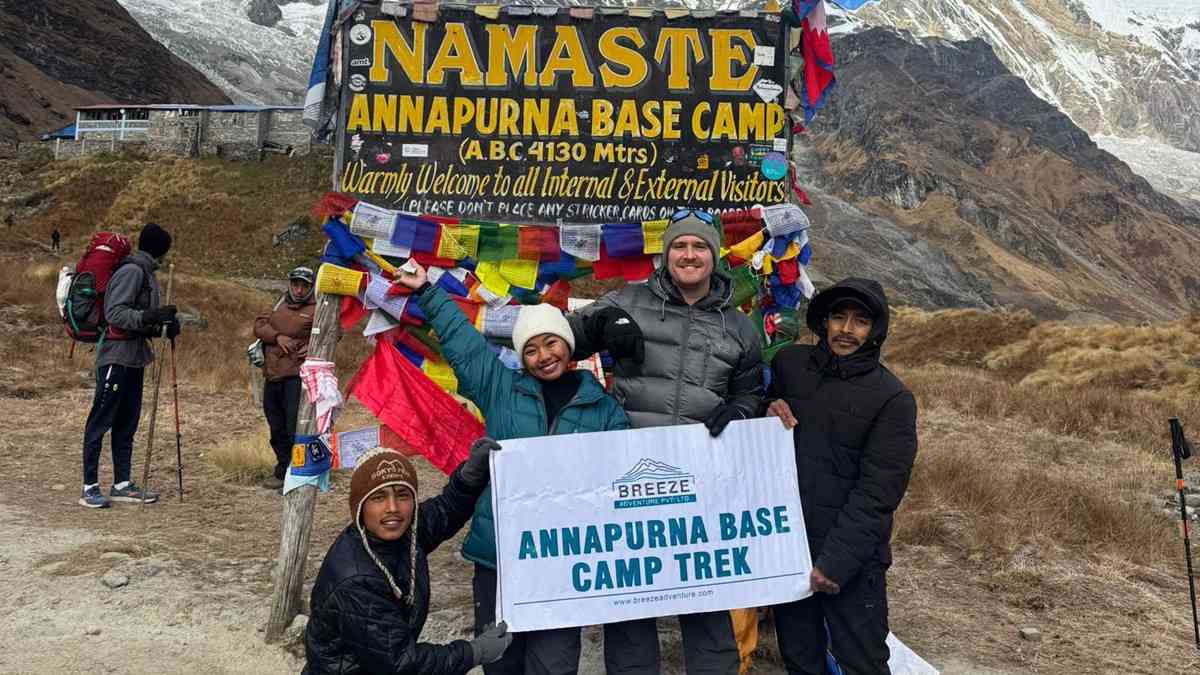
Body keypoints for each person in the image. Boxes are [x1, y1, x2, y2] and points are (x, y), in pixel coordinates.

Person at [394, 261, 629, 675]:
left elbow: (619, 475)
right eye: (531, 349)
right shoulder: (500, 389)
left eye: (550, 344)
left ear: (568, 345)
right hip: (499, 554)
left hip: (564, 559)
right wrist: (427, 291)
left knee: (555, 663)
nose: (543, 356)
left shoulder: (603, 408)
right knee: (500, 659)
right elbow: (463, 344)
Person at [566, 209, 764, 674]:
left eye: (699, 247)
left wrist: (740, 409)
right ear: (665, 253)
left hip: (702, 485)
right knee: (631, 613)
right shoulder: (627, 300)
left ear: (714, 257)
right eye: (680, 246)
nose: (689, 255)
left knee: (708, 606)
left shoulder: (738, 327)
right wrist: (597, 328)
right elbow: (558, 343)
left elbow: (750, 391)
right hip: (627, 480)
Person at [764, 278, 918, 675]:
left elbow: (878, 493)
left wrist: (835, 564)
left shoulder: (892, 399)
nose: (847, 330)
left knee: (861, 660)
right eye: (838, 317)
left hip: (850, 563)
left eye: (860, 321)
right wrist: (766, 405)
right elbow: (757, 415)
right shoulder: (789, 365)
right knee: (799, 658)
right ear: (823, 320)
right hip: (790, 548)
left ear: (875, 330)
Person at [304, 443, 513, 674]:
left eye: (402, 495)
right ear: (360, 508)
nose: (392, 508)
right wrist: (475, 651)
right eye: (379, 497)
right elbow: (402, 662)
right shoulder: (355, 579)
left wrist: (470, 476)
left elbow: (444, 511)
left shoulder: (403, 533)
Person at [79, 222, 178, 508]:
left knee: (126, 421)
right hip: (115, 356)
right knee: (100, 420)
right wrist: (150, 317)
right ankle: (89, 487)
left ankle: (122, 483)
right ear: (161, 249)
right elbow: (115, 314)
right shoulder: (133, 271)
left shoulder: (146, 273)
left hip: (133, 357)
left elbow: (139, 318)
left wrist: (163, 325)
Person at [253, 266, 316, 490]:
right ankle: (282, 471)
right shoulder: (278, 303)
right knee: (276, 428)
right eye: (295, 284)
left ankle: (296, 476)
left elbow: (333, 332)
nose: (299, 289)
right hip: (272, 374)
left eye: (304, 285)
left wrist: (312, 346)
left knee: (294, 429)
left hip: (296, 377)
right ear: (290, 284)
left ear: (311, 287)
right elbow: (259, 326)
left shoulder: (316, 308)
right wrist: (277, 336)